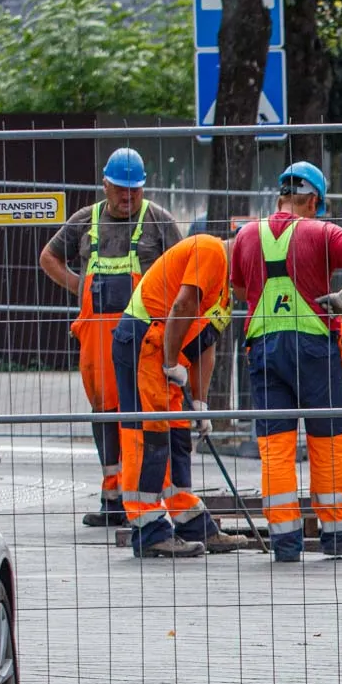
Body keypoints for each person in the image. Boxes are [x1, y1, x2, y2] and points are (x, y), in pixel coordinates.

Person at [230, 162, 342, 563]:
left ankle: (284, 543)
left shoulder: (246, 235)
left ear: (280, 196)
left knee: (275, 447)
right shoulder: (323, 232)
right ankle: (335, 537)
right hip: (316, 349)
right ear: (313, 200)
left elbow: (240, 286)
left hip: (264, 350)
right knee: (327, 442)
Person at [39, 148, 181, 527]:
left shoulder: (158, 221)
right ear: (105, 185)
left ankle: (143, 494)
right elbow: (48, 257)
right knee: (104, 412)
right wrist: (80, 287)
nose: (127, 197)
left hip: (145, 335)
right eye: (120, 189)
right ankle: (112, 496)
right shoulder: (85, 220)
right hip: (97, 335)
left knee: (141, 411)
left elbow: (185, 269)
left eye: (134, 190)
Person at [109, 234, 249, 557]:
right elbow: (182, 304)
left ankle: (189, 520)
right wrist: (171, 363)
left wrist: (200, 403)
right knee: (149, 436)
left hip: (163, 351)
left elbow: (207, 342)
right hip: (145, 343)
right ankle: (149, 529)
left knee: (177, 434)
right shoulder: (213, 253)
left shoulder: (224, 288)